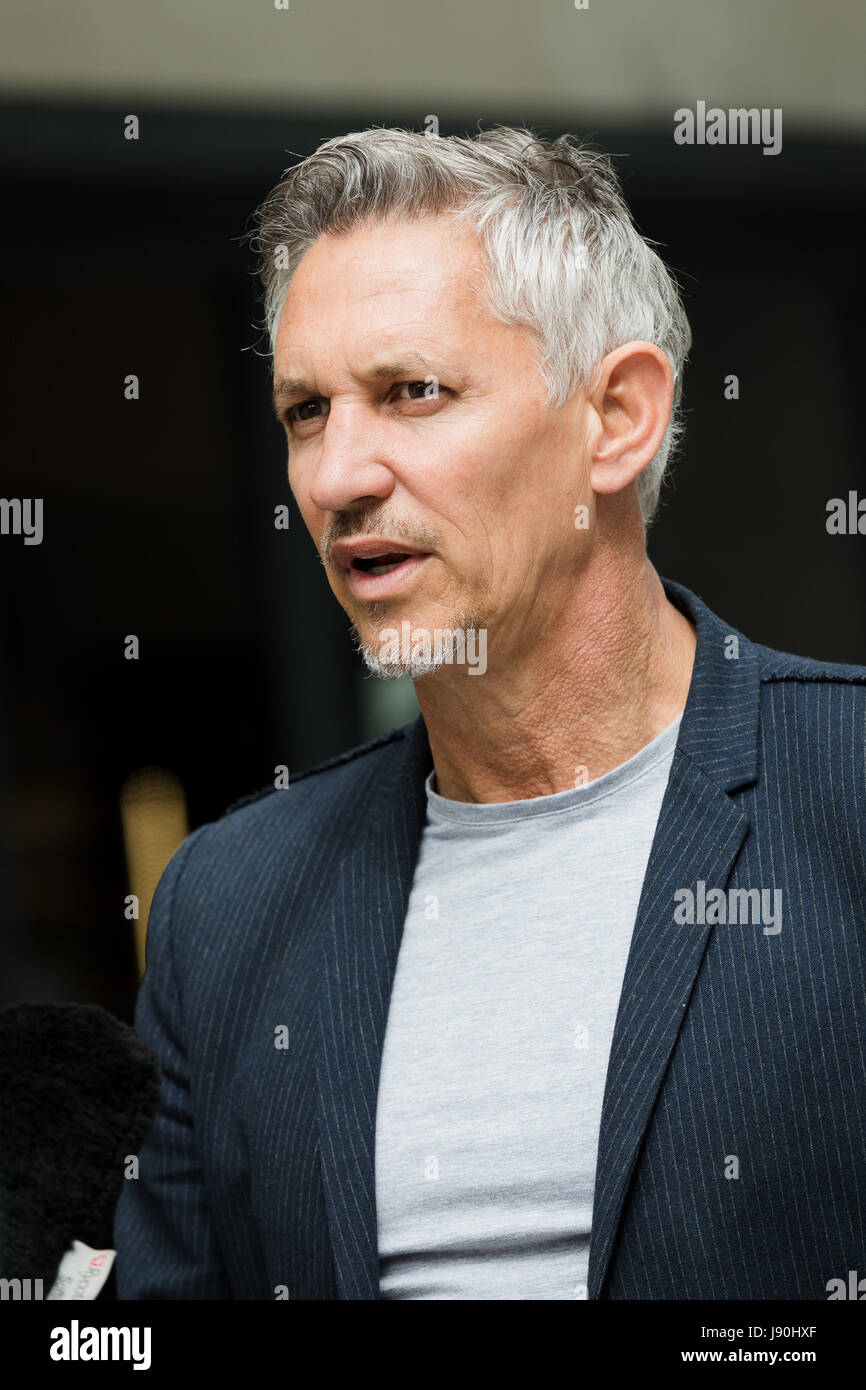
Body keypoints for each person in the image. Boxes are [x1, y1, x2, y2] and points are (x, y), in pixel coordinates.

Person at [114, 126, 866, 1300]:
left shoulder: (848, 792)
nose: (335, 476)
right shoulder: (227, 907)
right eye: (306, 410)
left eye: (410, 392)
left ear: (613, 416)